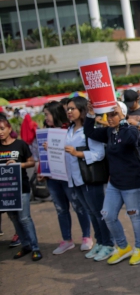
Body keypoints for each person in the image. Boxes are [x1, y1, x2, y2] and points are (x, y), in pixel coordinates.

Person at [84, 101, 140, 265]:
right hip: (115, 183)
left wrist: (124, 119)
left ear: (122, 114)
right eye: (109, 115)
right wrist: (91, 114)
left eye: (114, 114)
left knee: (135, 216)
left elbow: (131, 139)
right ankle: (123, 247)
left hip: (132, 183)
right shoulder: (109, 132)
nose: (110, 118)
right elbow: (89, 132)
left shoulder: (130, 130)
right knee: (108, 215)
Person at [64, 97, 113, 262]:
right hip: (75, 178)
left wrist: (78, 154)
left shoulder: (88, 129)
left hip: (90, 177)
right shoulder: (69, 129)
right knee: (91, 213)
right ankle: (100, 242)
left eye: (72, 108)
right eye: (68, 109)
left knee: (99, 212)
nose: (69, 112)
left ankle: (109, 244)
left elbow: (99, 153)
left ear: (81, 109)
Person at [41, 101, 92, 255]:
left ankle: (86, 237)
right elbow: (43, 155)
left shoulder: (68, 130)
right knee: (61, 209)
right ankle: (67, 240)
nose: (45, 118)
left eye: (47, 114)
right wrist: (41, 170)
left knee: (79, 206)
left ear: (55, 113)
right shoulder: (47, 132)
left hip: (67, 175)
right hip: (52, 176)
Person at [0, 115, 41, 261]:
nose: (0, 132)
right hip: (4, 191)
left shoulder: (20, 145)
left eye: (2, 128)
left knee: (24, 218)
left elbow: (31, 162)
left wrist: (18, 165)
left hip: (21, 188)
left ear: (9, 128)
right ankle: (25, 245)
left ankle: (35, 247)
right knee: (13, 218)